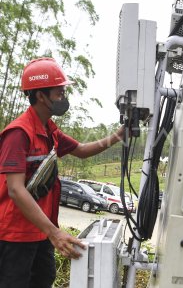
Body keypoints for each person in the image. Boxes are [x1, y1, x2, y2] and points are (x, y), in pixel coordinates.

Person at [0, 57, 124, 287]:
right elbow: (16, 190)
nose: (63, 98)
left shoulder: (50, 131)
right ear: (40, 95)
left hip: (41, 232)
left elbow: (83, 150)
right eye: (58, 93)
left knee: (44, 279)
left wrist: (121, 134)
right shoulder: (18, 133)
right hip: (15, 235)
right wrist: (55, 233)